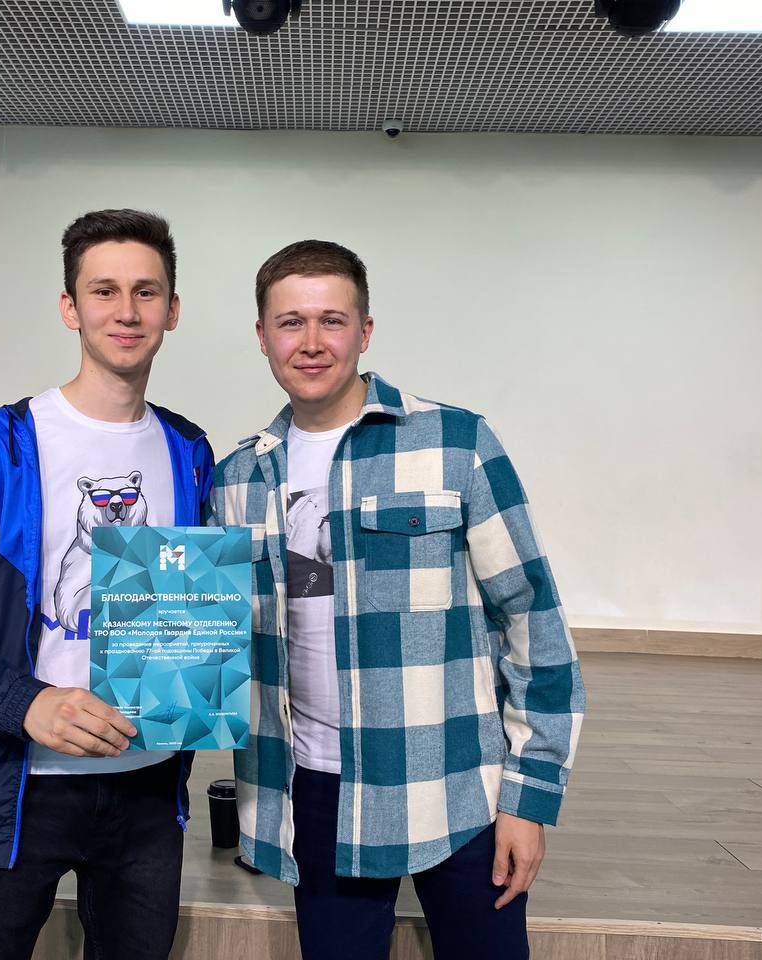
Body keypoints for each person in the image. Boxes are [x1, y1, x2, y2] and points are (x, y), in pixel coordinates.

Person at [209, 240, 585, 960]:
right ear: (262, 336)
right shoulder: (236, 479)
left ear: (366, 330)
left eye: (332, 320)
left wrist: (529, 797)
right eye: (290, 322)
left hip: (457, 786)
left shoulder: (456, 444)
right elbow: (221, 639)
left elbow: (532, 620)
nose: (311, 342)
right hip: (315, 789)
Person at [0, 209, 213, 960]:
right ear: (70, 307)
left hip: (148, 793)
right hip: (13, 787)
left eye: (146, 292)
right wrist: (27, 704)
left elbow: (192, 617)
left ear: (172, 310)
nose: (126, 311)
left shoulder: (190, 452)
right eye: (104, 291)